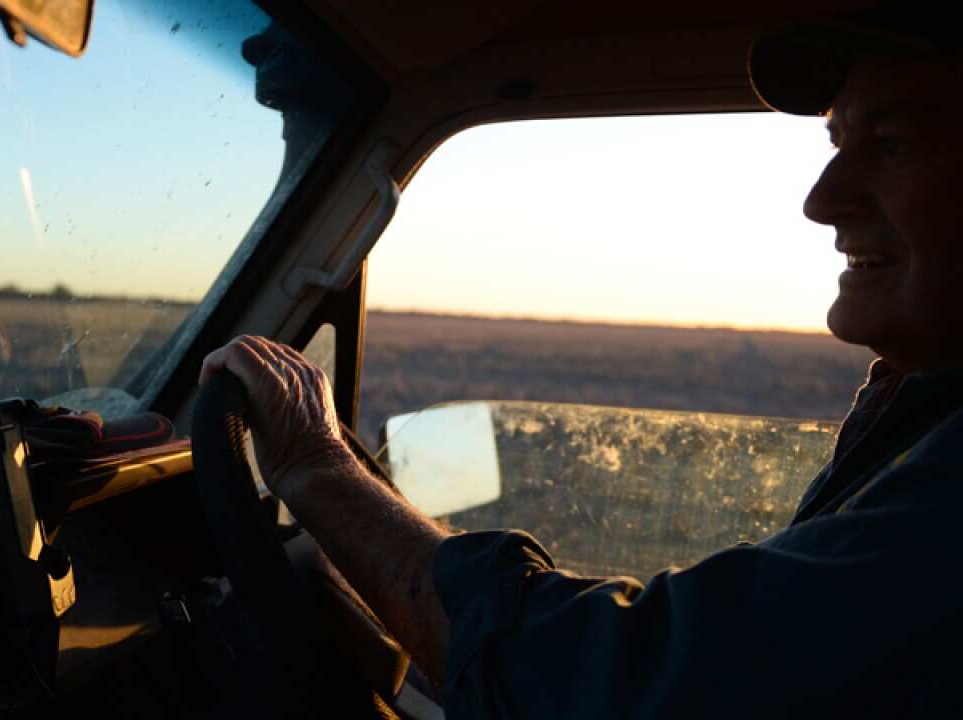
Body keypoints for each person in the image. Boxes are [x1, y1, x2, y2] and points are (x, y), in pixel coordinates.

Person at [201, 3, 963, 717]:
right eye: (839, 146)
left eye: (895, 144)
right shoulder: (923, 416)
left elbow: (621, 687)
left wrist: (315, 462)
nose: (822, 200)